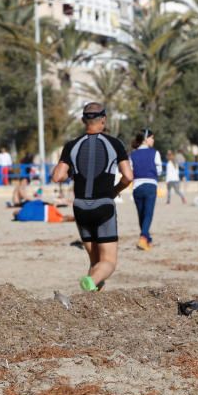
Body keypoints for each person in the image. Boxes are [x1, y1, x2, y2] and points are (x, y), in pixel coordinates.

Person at [51, 102, 132, 293]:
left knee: (95, 260)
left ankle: (93, 300)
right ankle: (89, 282)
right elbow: (128, 176)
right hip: (103, 205)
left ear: (82, 120)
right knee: (108, 262)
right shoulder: (115, 144)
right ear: (103, 120)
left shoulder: (71, 146)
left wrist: (71, 172)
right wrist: (115, 190)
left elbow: (57, 176)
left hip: (80, 208)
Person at [129, 128, 162, 250]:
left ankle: (147, 239)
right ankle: (143, 237)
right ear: (145, 139)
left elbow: (130, 171)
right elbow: (159, 170)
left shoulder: (132, 154)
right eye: (152, 138)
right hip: (150, 185)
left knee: (141, 215)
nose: (153, 140)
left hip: (137, 186)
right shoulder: (154, 153)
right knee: (148, 214)